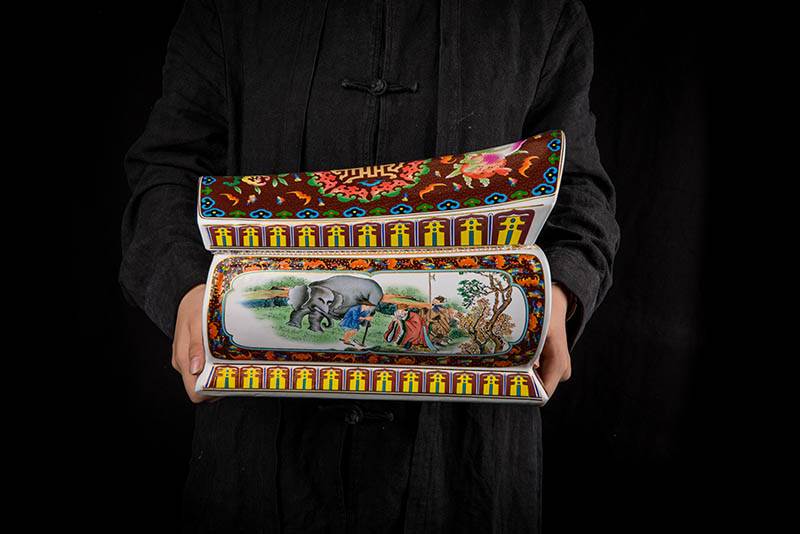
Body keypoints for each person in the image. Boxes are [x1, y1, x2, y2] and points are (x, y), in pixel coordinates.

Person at [119, 0, 619, 532]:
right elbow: (168, 167)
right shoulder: (228, 9)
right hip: (258, 453)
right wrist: (187, 289)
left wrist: (558, 294)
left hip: (463, 461)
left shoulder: (543, 13)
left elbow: (578, 189)